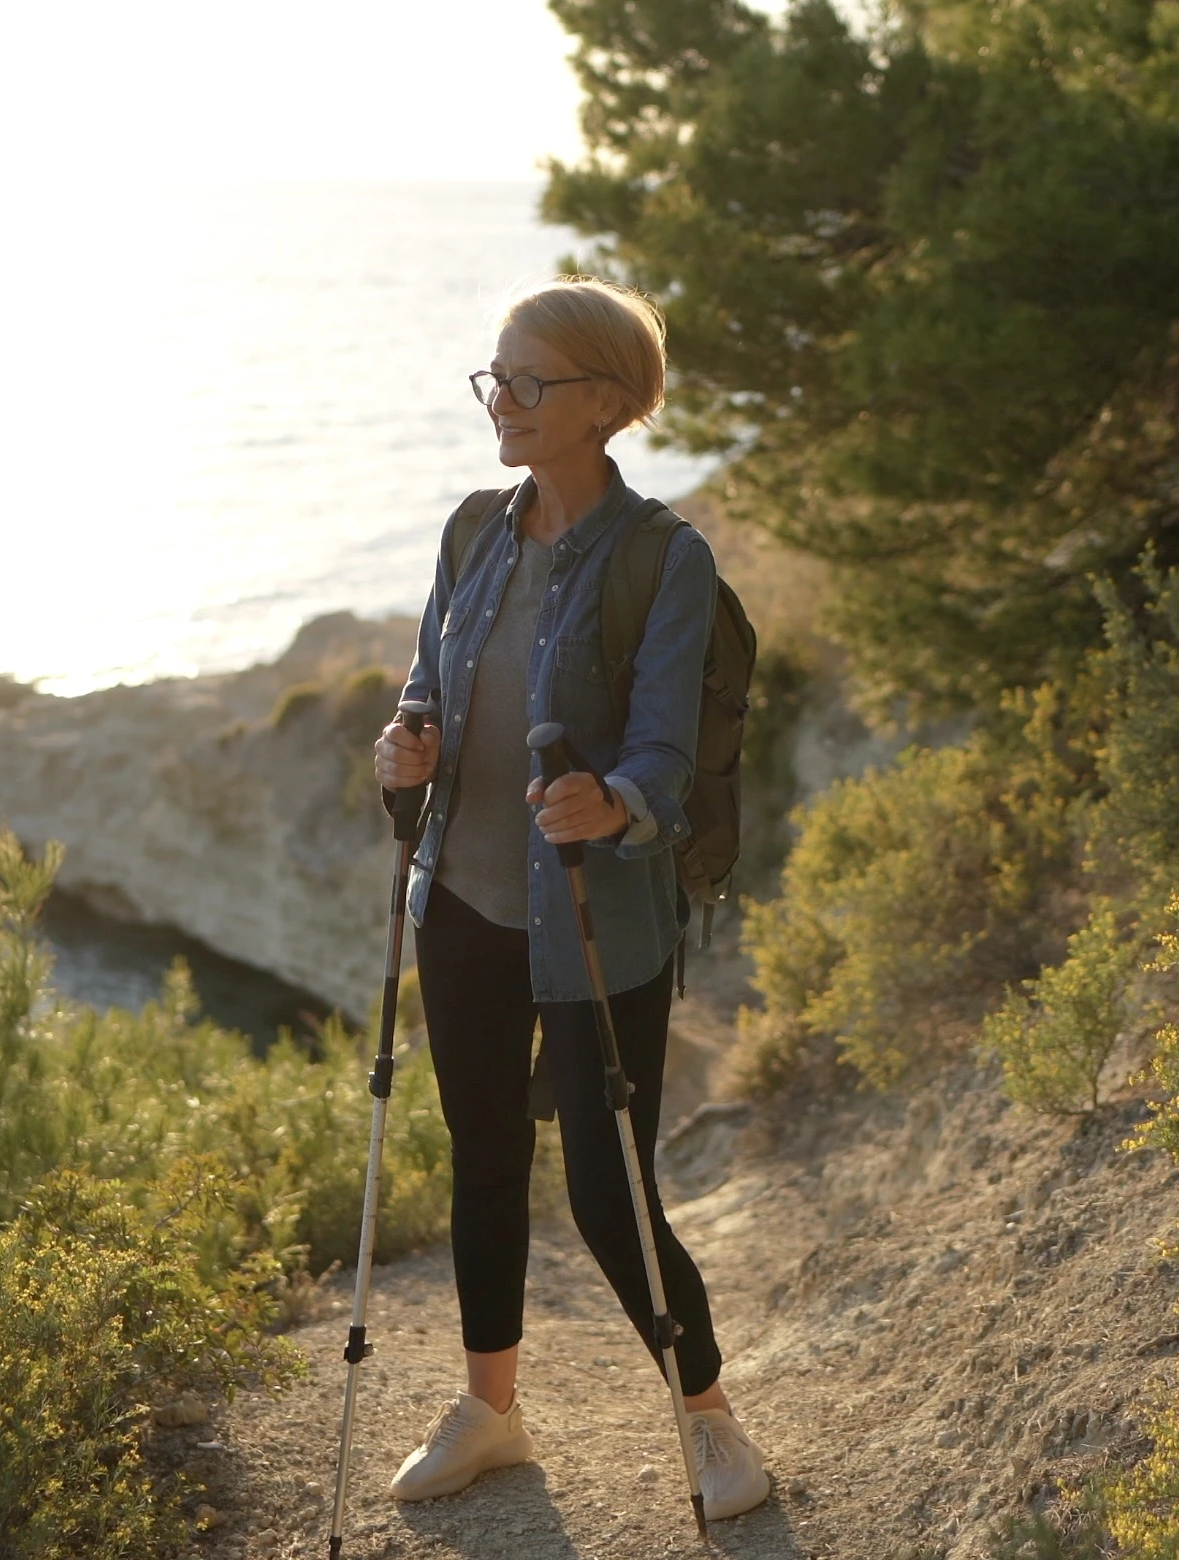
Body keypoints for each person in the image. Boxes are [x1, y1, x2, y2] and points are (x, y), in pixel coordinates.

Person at [369, 277, 769, 1520]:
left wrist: (614, 803)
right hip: (464, 903)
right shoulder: (470, 533)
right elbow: (427, 685)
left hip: (603, 919)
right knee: (482, 1160)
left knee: (610, 1191)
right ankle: (492, 1413)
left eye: (530, 384)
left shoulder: (666, 559)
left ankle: (707, 1419)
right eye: (495, 378)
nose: (504, 403)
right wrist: (405, 746)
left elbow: (661, 748)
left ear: (605, 403)